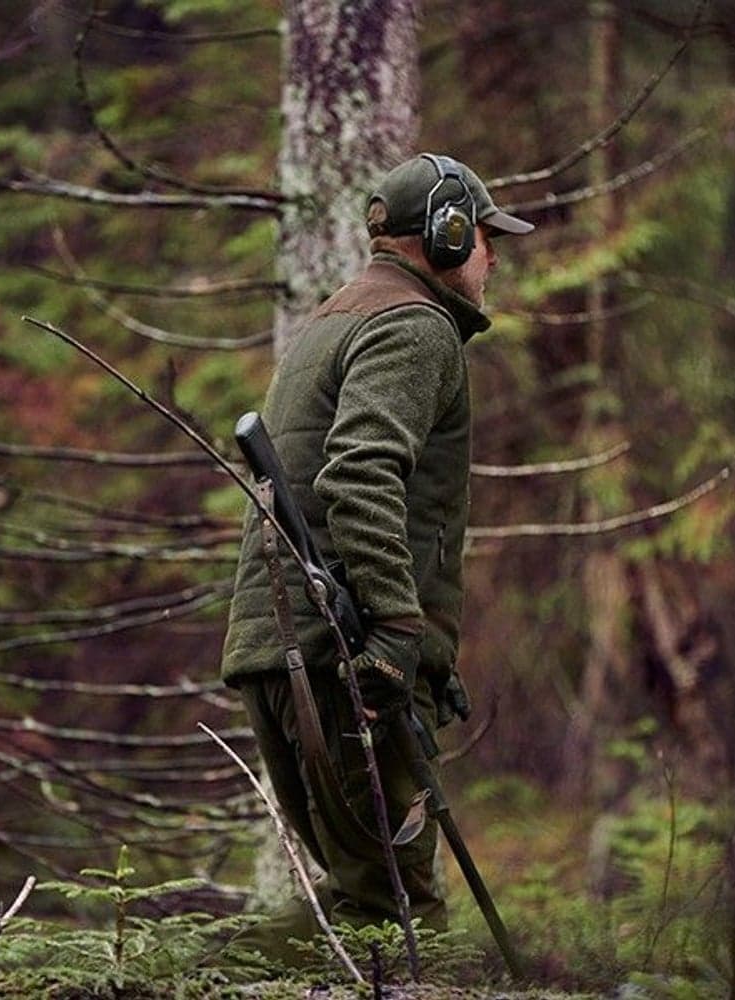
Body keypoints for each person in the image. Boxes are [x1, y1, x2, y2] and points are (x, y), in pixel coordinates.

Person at [220, 153, 534, 960]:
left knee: (361, 904)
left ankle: (190, 974)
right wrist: (398, 630)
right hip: (342, 656)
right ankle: (188, 976)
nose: (494, 258)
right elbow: (359, 469)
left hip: (289, 650)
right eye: (487, 238)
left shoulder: (338, 316)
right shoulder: (415, 327)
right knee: (396, 918)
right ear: (449, 234)